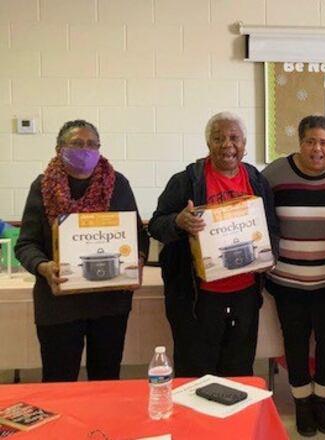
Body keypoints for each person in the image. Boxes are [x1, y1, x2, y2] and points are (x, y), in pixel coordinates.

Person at [15, 119, 148, 382]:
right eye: (77, 144)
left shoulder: (118, 184)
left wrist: (139, 261)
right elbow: (26, 244)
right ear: (59, 149)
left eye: (92, 144)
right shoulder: (42, 187)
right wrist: (43, 267)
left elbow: (138, 236)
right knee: (59, 382)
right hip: (59, 305)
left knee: (106, 381)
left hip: (110, 304)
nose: (85, 150)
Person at [148, 112, 279, 378]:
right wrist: (178, 222)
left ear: (244, 144)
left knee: (239, 370)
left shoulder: (256, 180)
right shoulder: (186, 181)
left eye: (234, 138)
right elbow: (156, 225)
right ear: (208, 144)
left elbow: (272, 226)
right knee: (195, 372)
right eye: (218, 138)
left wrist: (271, 256)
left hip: (245, 295)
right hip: (198, 298)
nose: (227, 145)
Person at [261, 116, 325, 436]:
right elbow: (256, 215)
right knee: (295, 344)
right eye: (310, 141)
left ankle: (323, 401)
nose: (317, 149)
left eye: (324, 142)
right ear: (299, 142)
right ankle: (302, 403)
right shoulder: (275, 173)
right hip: (287, 281)